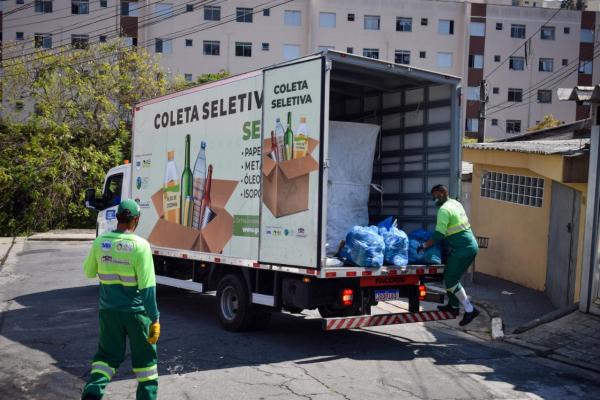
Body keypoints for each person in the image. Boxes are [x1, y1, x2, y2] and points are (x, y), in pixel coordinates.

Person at [81, 199, 160, 400]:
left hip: (108, 312)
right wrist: (155, 319)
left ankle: (92, 393)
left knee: (106, 358)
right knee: (146, 364)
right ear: (136, 219)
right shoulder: (140, 246)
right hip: (137, 315)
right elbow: (148, 289)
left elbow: (89, 272)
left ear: (117, 218)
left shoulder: (100, 242)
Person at [418, 184, 480, 326]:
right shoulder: (455, 203)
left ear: (441, 194)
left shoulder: (444, 210)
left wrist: (425, 245)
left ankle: (470, 310)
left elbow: (439, 234)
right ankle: (453, 305)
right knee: (450, 276)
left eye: (434, 197)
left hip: (463, 250)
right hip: (468, 246)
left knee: (450, 280)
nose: (433, 200)